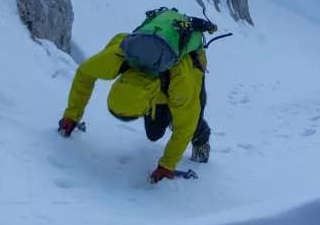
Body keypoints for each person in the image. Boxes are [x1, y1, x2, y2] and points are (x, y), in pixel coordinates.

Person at [57, 10, 216, 183]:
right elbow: (84, 74)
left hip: (190, 61)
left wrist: (167, 165)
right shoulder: (116, 59)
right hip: (157, 73)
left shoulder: (181, 84)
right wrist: (72, 115)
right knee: (154, 134)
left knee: (192, 116)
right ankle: (171, 116)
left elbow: (186, 126)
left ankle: (201, 140)